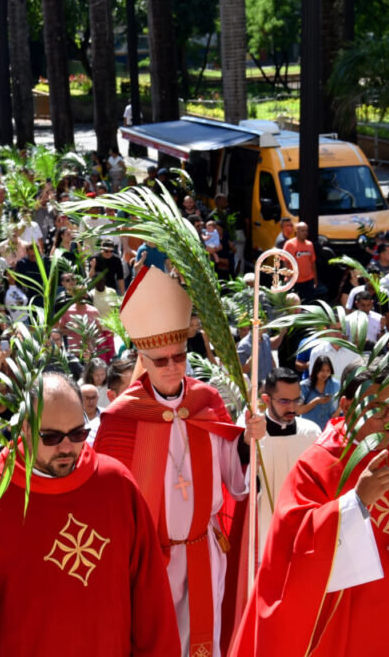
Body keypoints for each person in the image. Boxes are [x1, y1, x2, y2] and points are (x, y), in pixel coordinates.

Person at [0, 372, 180, 656]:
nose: (67, 447)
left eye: (77, 433)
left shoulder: (115, 484)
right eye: (52, 436)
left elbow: (150, 596)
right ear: (24, 430)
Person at [229, 361, 389, 657]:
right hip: (345, 621)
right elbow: (293, 547)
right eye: (378, 408)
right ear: (346, 405)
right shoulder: (316, 464)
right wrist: (355, 504)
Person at [94, 265, 265, 657]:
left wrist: (245, 443)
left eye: (179, 356)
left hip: (204, 550)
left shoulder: (206, 402)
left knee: (205, 643)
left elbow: (233, 476)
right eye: (161, 359)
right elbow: (108, 496)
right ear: (143, 358)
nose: (172, 366)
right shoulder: (121, 418)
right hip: (150, 559)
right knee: (156, 643)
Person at [253, 368, 321, 559]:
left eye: (296, 400)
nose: (292, 408)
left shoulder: (312, 433)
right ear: (266, 400)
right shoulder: (253, 436)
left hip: (301, 531)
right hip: (263, 529)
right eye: (284, 401)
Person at [297, 355, 339, 430]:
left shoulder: (335, 384)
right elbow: (298, 410)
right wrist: (316, 401)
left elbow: (342, 401)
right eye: (322, 370)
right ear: (316, 370)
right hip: (309, 429)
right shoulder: (304, 386)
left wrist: (337, 413)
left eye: (328, 371)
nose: (325, 374)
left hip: (328, 429)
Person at [283, 222, 319, 302]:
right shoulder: (289, 244)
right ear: (297, 231)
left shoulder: (310, 244)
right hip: (295, 281)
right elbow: (285, 261)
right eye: (303, 231)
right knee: (295, 305)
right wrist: (288, 278)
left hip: (308, 280)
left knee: (308, 303)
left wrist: (315, 279)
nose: (305, 233)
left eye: (306, 231)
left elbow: (313, 262)